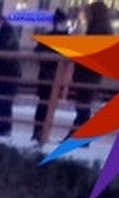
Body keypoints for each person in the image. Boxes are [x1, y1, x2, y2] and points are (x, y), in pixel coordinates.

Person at [71, 0, 112, 129]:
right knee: (83, 103)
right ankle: (77, 132)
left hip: (88, 72)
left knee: (83, 103)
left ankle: (80, 132)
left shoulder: (98, 29)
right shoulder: (99, 28)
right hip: (89, 72)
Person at [32, 9, 70, 144]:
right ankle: (38, 132)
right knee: (44, 104)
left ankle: (41, 132)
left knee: (45, 104)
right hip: (47, 75)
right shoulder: (51, 37)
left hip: (53, 76)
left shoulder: (67, 38)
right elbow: (37, 52)